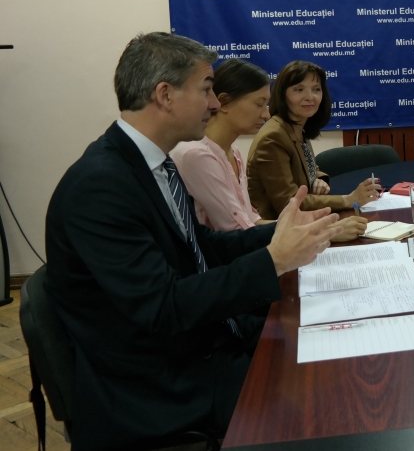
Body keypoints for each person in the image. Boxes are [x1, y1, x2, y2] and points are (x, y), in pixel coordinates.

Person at [45, 32, 364, 450]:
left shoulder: (153, 164)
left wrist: (283, 233)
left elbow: (202, 247)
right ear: (165, 95)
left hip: (203, 342)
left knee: (340, 345)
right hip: (160, 386)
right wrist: (273, 260)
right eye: (207, 89)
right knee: (334, 400)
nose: (215, 103)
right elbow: (163, 308)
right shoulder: (99, 187)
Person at [247, 60, 378, 219]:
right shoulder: (273, 137)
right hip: (276, 228)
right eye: (299, 90)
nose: (310, 97)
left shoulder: (297, 126)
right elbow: (289, 203)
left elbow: (307, 167)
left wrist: (317, 179)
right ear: (282, 94)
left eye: (316, 89)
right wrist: (347, 200)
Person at [170, 59, 272, 231]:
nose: (266, 115)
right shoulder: (196, 154)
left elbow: (249, 220)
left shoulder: (233, 152)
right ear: (224, 102)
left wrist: (308, 226)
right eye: (259, 104)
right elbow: (235, 229)